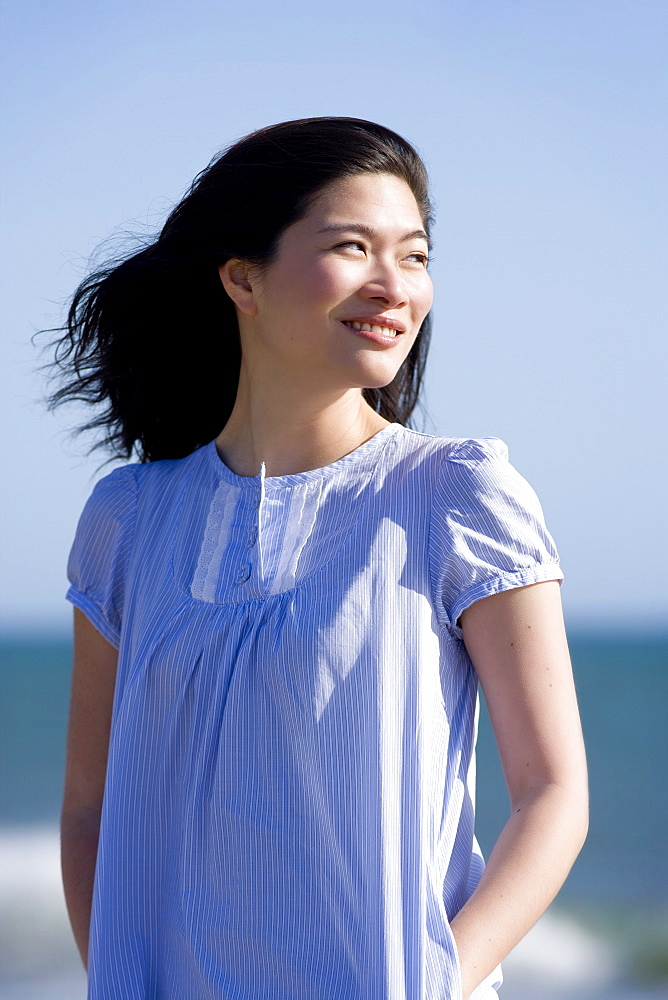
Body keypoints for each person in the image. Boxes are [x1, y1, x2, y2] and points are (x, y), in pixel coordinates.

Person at [54, 117, 588, 1000]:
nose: (395, 287)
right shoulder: (129, 520)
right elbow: (87, 805)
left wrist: (436, 982)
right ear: (241, 278)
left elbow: (553, 793)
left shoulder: (458, 495)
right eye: (353, 247)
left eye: (414, 256)